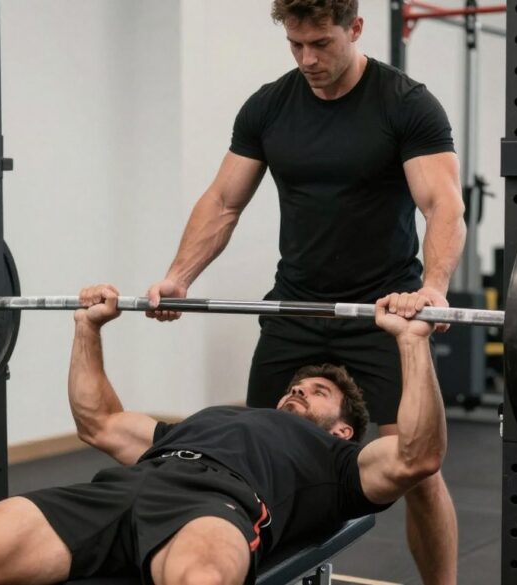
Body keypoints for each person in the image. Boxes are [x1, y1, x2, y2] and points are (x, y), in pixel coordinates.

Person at [144, 2, 464, 582]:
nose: (308, 58)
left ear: (355, 29)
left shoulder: (405, 103)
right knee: (250, 461)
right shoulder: (269, 106)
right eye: (295, 45)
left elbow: (443, 203)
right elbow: (223, 202)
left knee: (418, 471)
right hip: (295, 306)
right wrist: (178, 276)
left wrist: (434, 287)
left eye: (321, 43)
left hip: (381, 313)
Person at [0, 285, 447, 585]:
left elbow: (416, 456)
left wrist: (411, 341)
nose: (299, 392)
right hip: (121, 490)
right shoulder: (210, 418)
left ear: (345, 427)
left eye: (317, 392)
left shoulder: (337, 460)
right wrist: (86, 327)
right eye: (296, 385)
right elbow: (99, 423)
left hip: (217, 507)